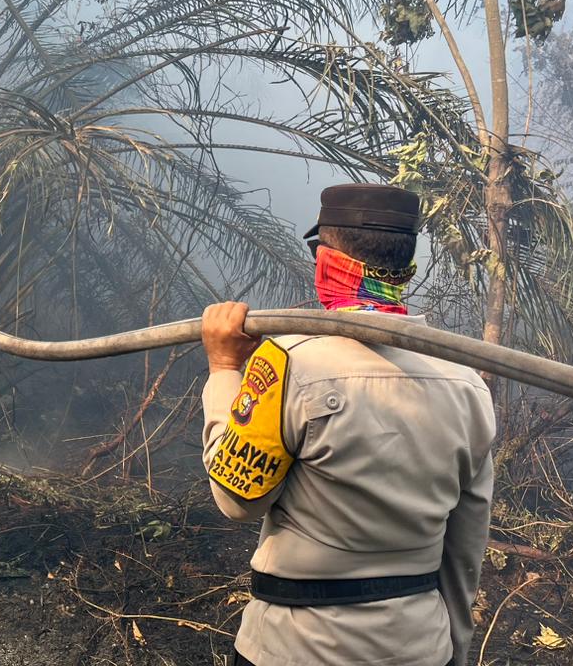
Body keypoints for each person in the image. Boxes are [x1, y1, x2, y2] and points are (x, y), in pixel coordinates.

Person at [200, 183, 495, 666]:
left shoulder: (285, 363)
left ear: (325, 260)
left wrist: (223, 370)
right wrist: (454, 651)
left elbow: (236, 501)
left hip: (294, 647)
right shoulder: (466, 383)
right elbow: (466, 548)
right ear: (404, 268)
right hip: (419, 648)